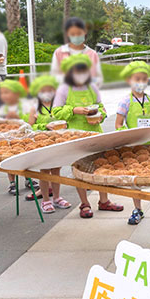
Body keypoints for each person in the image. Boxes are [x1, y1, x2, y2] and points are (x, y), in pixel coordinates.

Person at [55, 53, 121, 218]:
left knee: (101, 167)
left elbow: (102, 107)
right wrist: (73, 110)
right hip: (75, 135)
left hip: (95, 132)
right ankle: (84, 204)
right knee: (79, 169)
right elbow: (56, 112)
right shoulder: (63, 89)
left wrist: (101, 116)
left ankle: (104, 200)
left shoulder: (92, 87)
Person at [115, 60, 150, 225]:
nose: (140, 83)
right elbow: (118, 124)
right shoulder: (125, 102)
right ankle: (137, 209)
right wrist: (126, 136)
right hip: (134, 147)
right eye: (136, 79)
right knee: (135, 179)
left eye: (144, 79)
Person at [27, 74, 72, 213]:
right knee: (45, 171)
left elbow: (67, 121)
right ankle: (46, 200)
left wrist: (65, 125)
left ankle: (57, 197)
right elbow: (29, 128)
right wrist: (44, 127)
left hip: (58, 143)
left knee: (57, 170)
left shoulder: (59, 106)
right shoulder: (34, 108)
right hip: (43, 145)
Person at [0, 79, 30, 195]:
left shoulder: (23, 106)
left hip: (22, 139)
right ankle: (12, 183)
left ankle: (28, 178)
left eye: (7, 92)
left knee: (25, 160)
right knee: (9, 160)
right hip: (8, 140)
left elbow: (29, 120)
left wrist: (18, 118)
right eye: (2, 93)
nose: (4, 96)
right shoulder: (1, 108)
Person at [50, 17, 101, 84]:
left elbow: (98, 78)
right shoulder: (59, 53)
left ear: (85, 31)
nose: (76, 36)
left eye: (79, 33)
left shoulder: (92, 54)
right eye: (73, 34)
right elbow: (54, 76)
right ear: (67, 34)